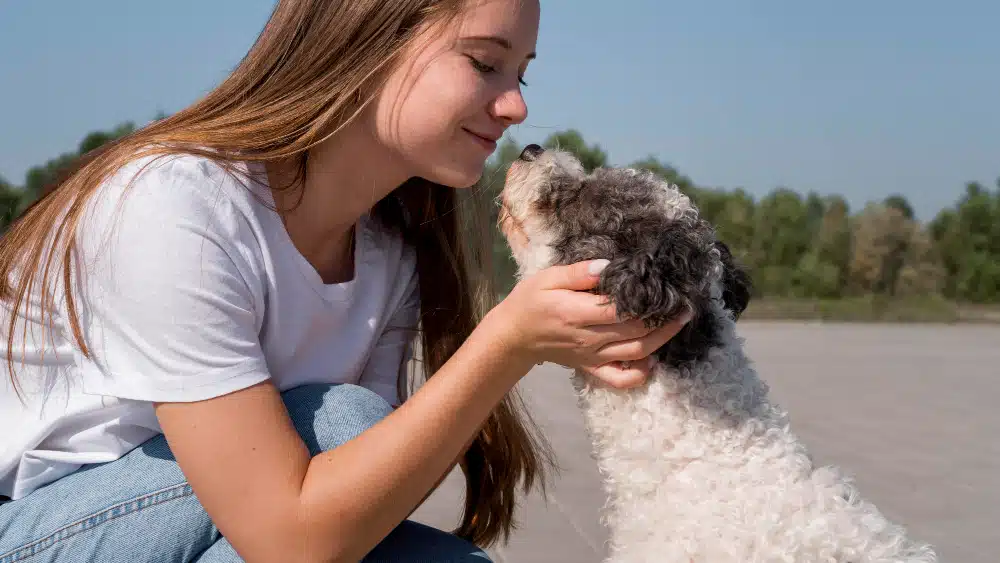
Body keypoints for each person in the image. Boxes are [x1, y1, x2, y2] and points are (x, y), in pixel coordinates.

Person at [0, 0, 690, 561]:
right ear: (368, 41)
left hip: (243, 535)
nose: (515, 107)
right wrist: (507, 341)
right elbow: (294, 535)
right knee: (347, 426)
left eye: (522, 75)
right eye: (485, 63)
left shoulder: (389, 248)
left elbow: (352, 515)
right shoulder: (175, 204)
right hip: (38, 529)